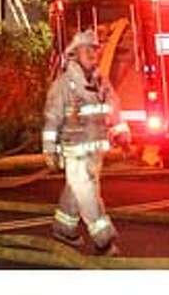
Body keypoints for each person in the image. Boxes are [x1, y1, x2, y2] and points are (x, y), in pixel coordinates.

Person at [42, 29, 130, 255]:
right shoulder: (64, 85)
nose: (93, 53)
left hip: (95, 152)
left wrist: (122, 133)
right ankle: (104, 240)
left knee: (76, 191)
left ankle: (63, 229)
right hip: (75, 153)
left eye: (95, 49)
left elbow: (114, 108)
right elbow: (52, 119)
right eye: (87, 49)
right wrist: (49, 150)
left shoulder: (101, 82)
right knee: (88, 195)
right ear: (75, 54)